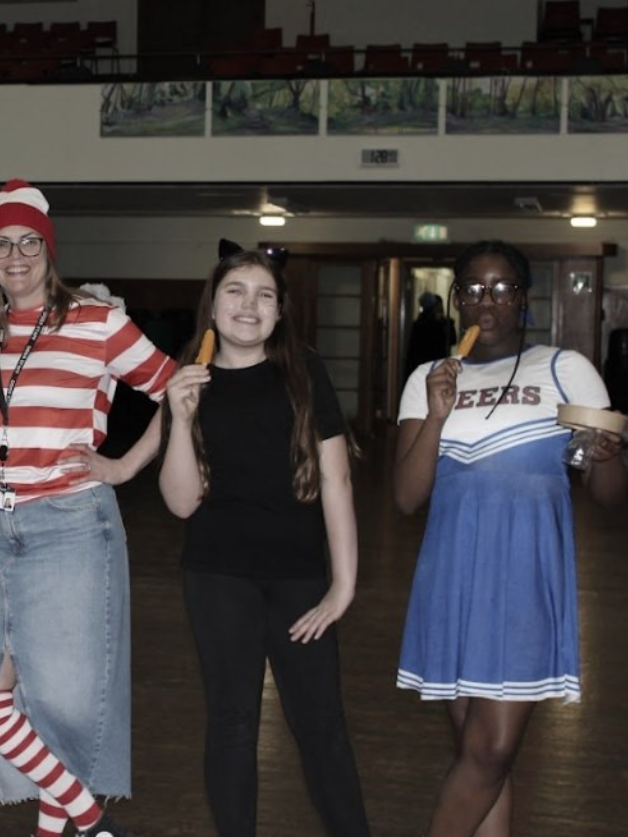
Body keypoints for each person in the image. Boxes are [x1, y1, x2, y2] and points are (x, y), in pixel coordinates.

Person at [0, 180, 176, 837]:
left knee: (61, 706)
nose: (15, 256)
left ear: (48, 250)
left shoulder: (96, 322)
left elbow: (177, 390)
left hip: (69, 527)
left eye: (28, 243)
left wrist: (124, 466)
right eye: (0, 246)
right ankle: (91, 822)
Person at [394, 240, 626, 837]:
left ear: (524, 298)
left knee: (492, 749)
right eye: (473, 289)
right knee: (480, 753)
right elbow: (407, 497)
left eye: (502, 289)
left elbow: (609, 495)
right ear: (457, 299)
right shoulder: (427, 378)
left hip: (526, 577)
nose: (486, 301)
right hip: (452, 577)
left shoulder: (565, 368)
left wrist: (606, 457)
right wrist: (437, 414)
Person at [157, 245, 370, 837]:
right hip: (217, 576)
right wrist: (182, 417)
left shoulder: (304, 371)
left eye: (264, 295)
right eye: (235, 291)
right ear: (213, 305)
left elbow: (336, 479)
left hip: (298, 576)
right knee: (232, 725)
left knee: (322, 727)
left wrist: (343, 586)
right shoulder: (188, 381)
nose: (249, 305)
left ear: (279, 312)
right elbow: (180, 503)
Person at [405, 291, 458, 376]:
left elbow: (412, 352)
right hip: (438, 365)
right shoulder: (441, 324)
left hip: (421, 366)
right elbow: (452, 341)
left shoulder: (418, 324)